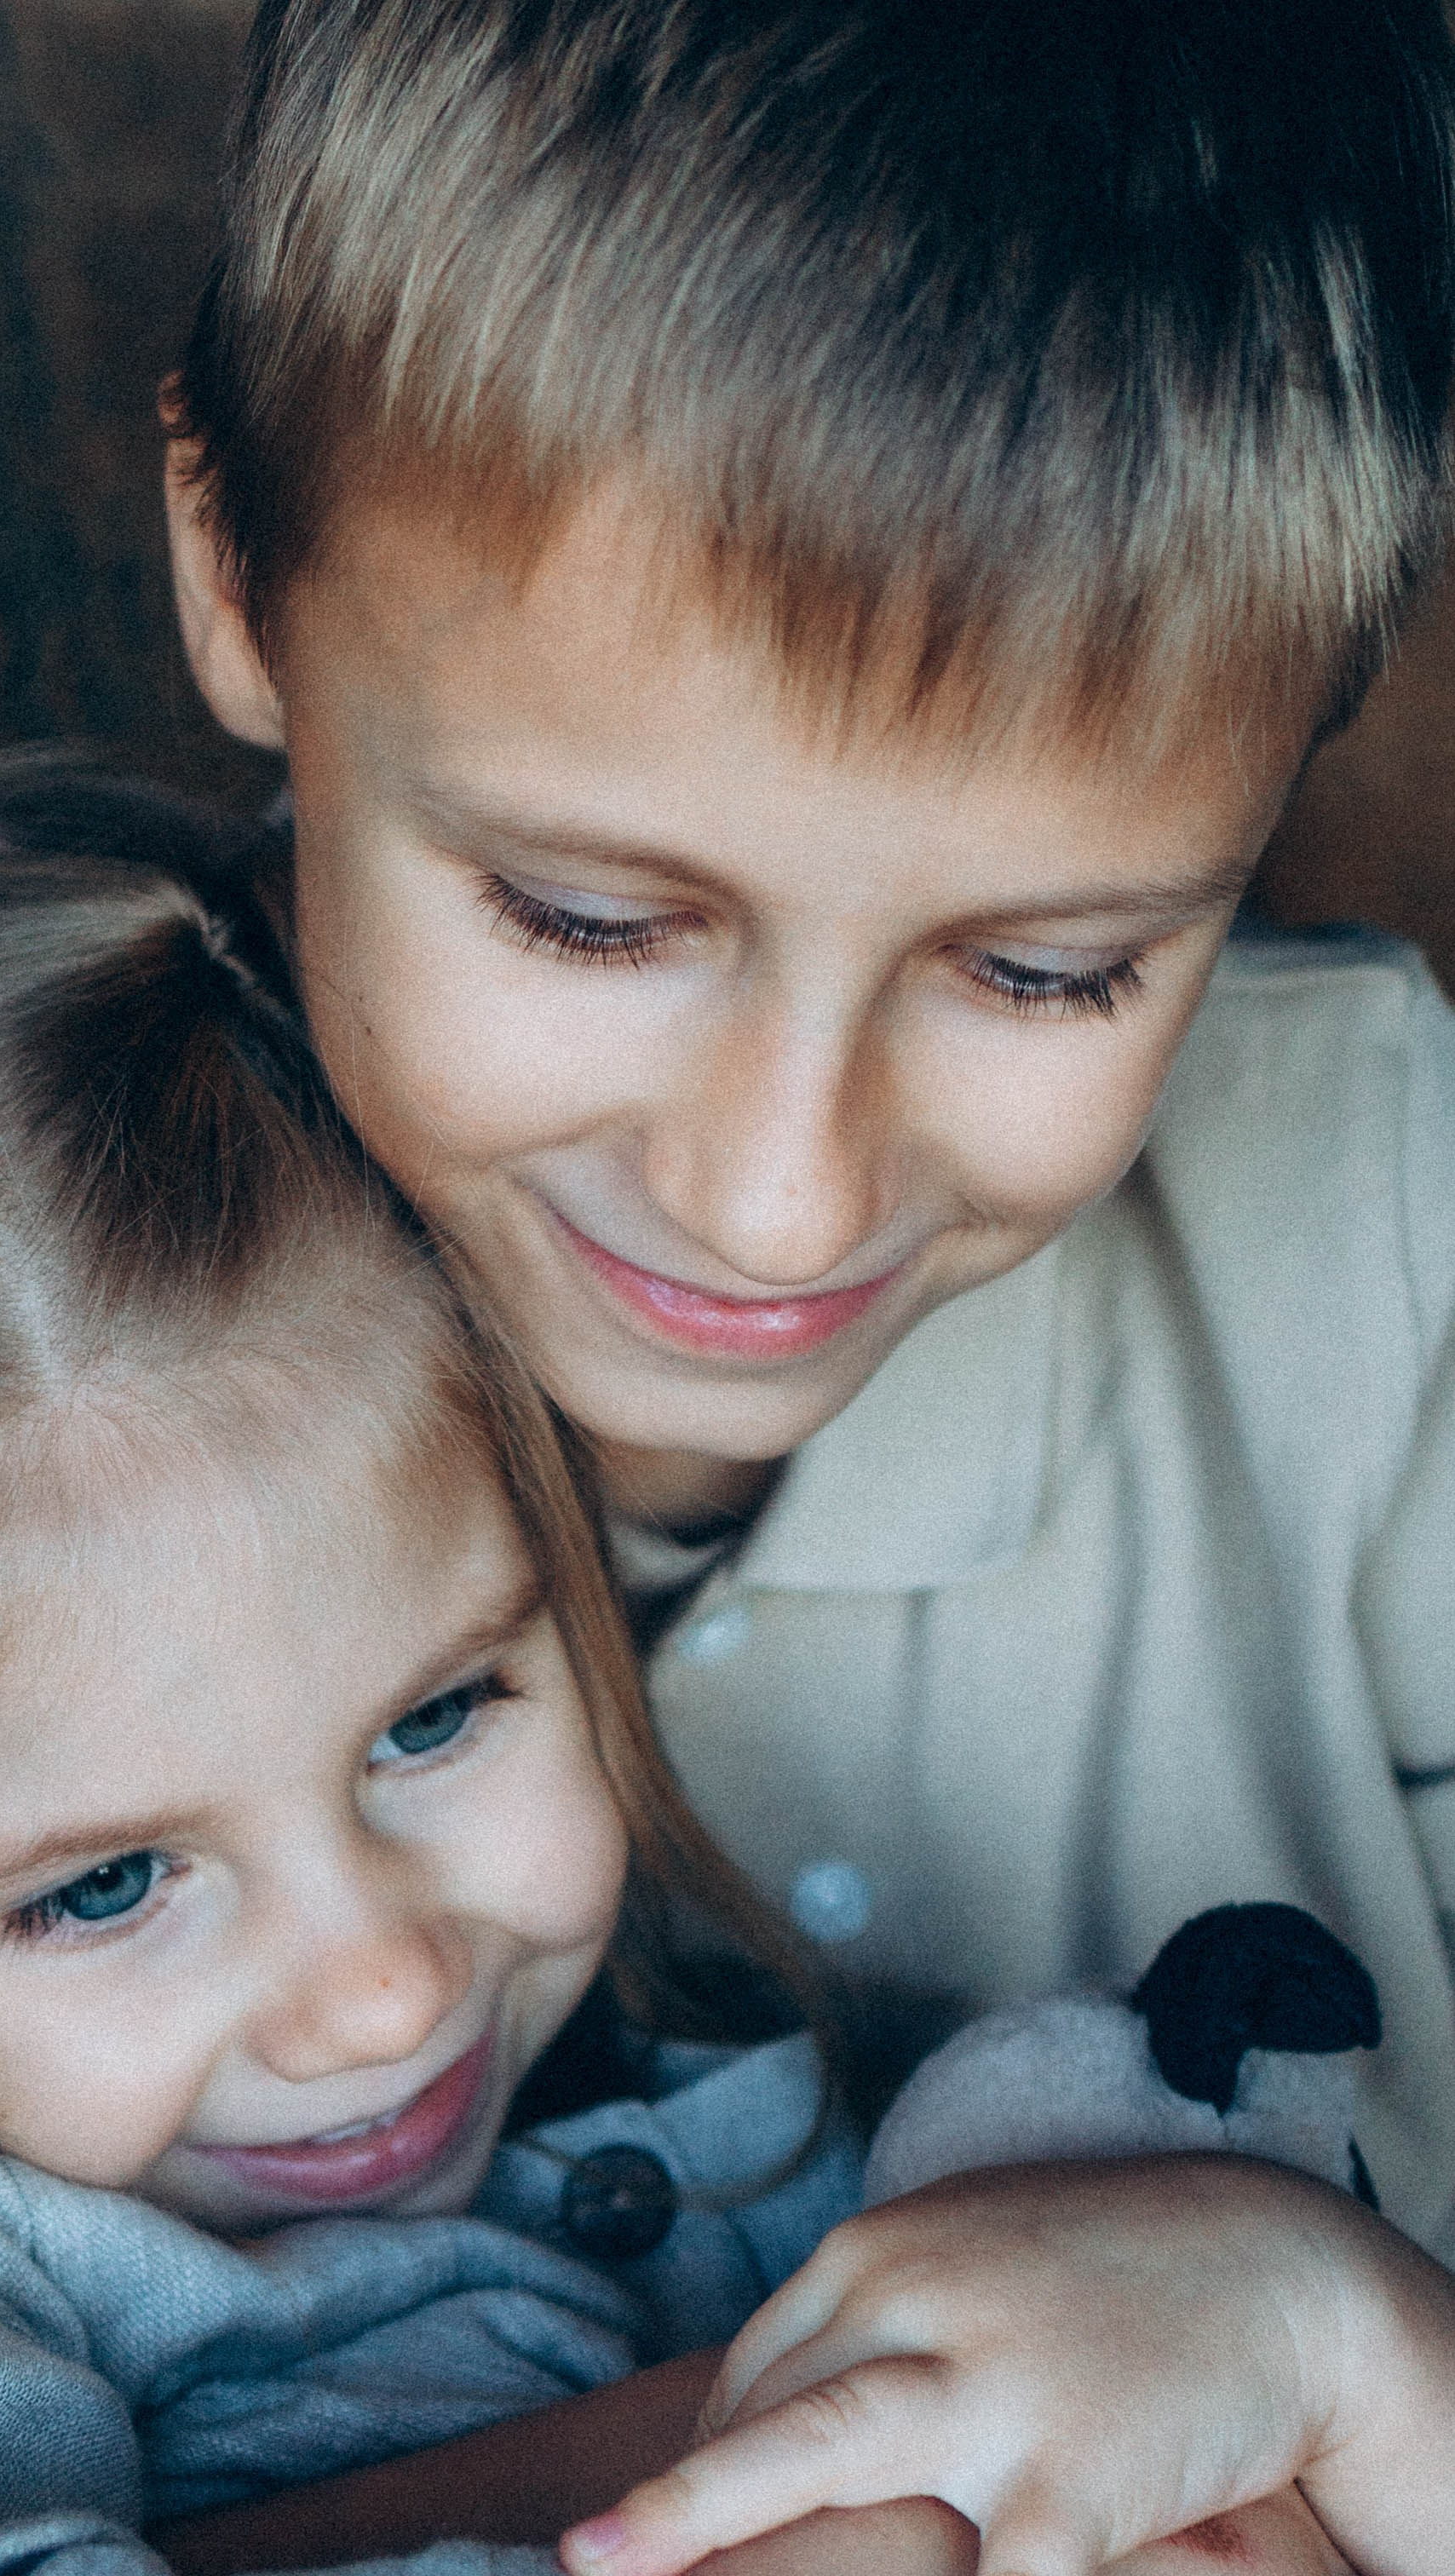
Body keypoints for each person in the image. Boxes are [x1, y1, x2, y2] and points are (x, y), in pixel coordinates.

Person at [0, 757, 1448, 2576]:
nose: (378, 1989)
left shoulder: (738, 2111)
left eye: (435, 1719)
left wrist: (1254, 2311)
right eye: (104, 1885)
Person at [164, 0, 1455, 2247]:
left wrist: (1349, 2356)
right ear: (226, 567)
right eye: (583, 919)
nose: (780, 1204)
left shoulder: (1391, 1224)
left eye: (1048, 970)